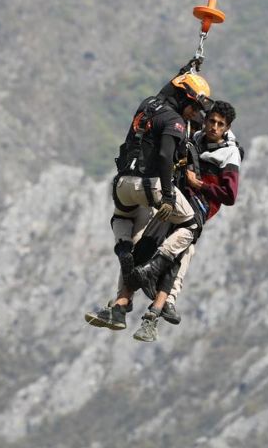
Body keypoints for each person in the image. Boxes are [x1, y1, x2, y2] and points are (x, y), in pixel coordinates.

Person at [84, 67, 213, 331]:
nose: (194, 114)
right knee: (191, 225)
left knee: (122, 218)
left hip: (122, 184)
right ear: (185, 99)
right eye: (193, 106)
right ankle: (155, 266)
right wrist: (167, 194)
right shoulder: (175, 121)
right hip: (151, 185)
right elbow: (166, 157)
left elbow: (170, 88)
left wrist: (189, 69)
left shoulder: (148, 104)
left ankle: (121, 280)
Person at [132, 100, 241, 343]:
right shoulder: (198, 137)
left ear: (227, 127)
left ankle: (154, 311)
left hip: (199, 206)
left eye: (220, 124)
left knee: (179, 250)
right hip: (179, 198)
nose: (214, 127)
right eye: (211, 121)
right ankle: (130, 300)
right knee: (153, 242)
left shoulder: (230, 153)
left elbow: (230, 195)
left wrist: (199, 184)